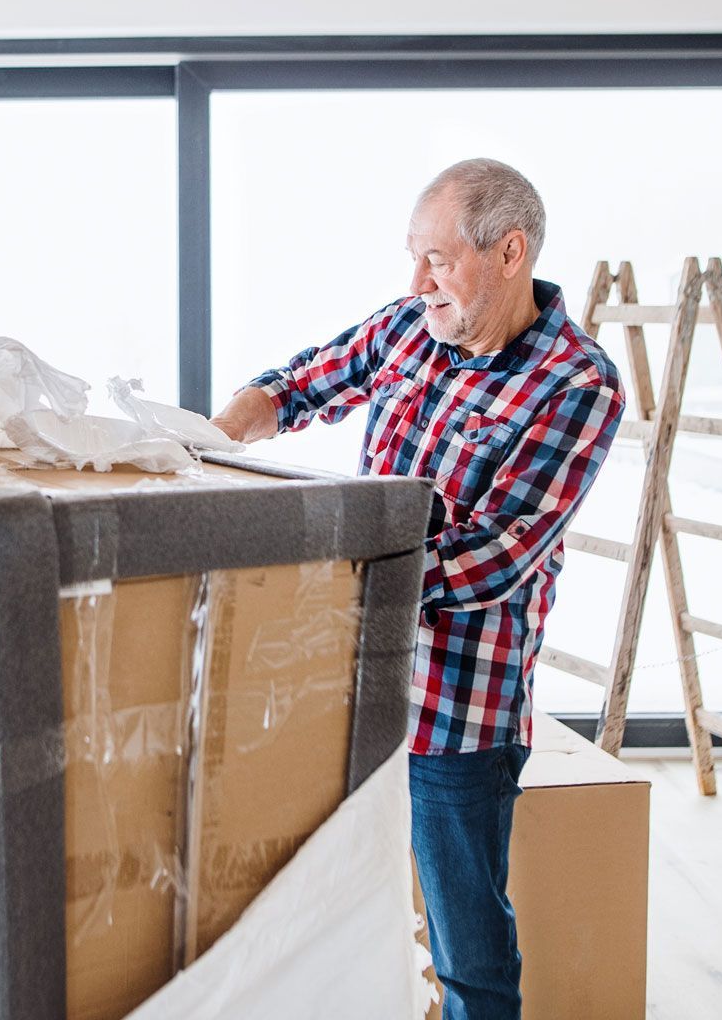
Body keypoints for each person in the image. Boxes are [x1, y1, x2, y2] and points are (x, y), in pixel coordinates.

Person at [210, 158, 624, 1020]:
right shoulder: (409, 326)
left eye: (436, 259)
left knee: (465, 943)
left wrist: (324, 579)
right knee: (337, 916)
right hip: (353, 688)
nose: (416, 281)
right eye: (413, 256)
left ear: (509, 253)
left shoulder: (577, 384)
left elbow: (496, 555)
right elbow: (299, 384)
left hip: (457, 708)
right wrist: (208, 443)